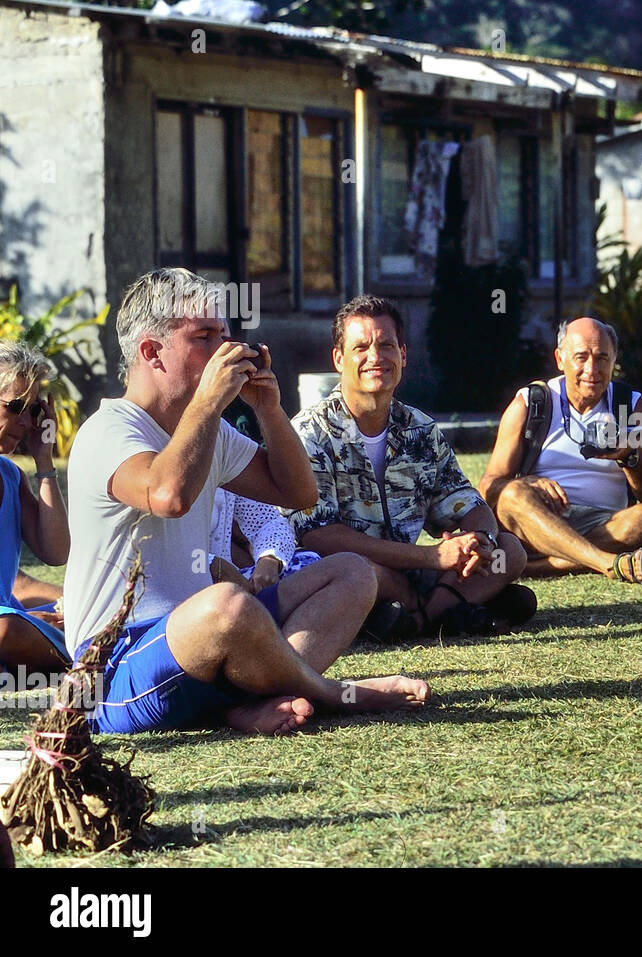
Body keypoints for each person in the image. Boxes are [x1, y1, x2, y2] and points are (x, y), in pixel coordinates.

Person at [63, 268, 429, 735]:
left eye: (225, 334)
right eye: (204, 336)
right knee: (226, 606)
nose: (225, 350)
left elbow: (297, 493)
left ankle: (251, 702)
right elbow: (167, 494)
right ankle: (332, 693)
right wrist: (208, 403)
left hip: (209, 644)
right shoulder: (108, 431)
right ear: (151, 352)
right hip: (114, 667)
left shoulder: (210, 430)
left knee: (351, 572)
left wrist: (268, 410)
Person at [288, 295, 533, 640]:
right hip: (344, 572)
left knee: (511, 552)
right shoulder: (309, 433)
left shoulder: (421, 430)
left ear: (403, 355)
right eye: (361, 348)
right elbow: (317, 535)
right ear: (338, 359)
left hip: (414, 571)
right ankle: (456, 609)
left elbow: (469, 504)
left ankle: (424, 618)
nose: (375, 357)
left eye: (386, 345)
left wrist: (482, 541)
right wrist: (433, 557)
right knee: (363, 572)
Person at [479, 317, 642, 584]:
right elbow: (488, 488)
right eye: (581, 357)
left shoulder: (632, 406)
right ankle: (607, 563)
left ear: (614, 361)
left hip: (604, 524)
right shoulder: (531, 403)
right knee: (512, 494)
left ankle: (537, 568)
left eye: (602, 358)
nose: (592, 369)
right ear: (560, 359)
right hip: (538, 521)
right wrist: (530, 482)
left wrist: (628, 458)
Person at [0, 342, 71, 674]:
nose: (27, 422)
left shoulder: (11, 476)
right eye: (16, 407)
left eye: (34, 410)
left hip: (10, 622)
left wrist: (44, 462)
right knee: (7, 631)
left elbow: (56, 552)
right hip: (7, 626)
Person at [208, 487, 320, 592]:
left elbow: (267, 522)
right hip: (198, 587)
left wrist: (269, 558)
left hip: (233, 581)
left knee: (310, 564)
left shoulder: (230, 469)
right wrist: (217, 567)